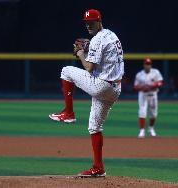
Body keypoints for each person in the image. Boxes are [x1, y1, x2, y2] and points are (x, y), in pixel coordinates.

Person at [49, 9, 124, 177]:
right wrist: (89, 47)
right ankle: (99, 168)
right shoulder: (111, 34)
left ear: (99, 21)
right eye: (86, 22)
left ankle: (68, 113)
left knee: (66, 71)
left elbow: (89, 67)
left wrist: (82, 53)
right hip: (115, 89)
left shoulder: (97, 39)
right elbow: (105, 55)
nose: (88, 25)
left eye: (92, 22)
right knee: (94, 127)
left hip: (102, 85)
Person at [134, 58, 163, 138]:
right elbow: (135, 86)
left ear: (151, 65)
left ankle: (151, 128)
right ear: (144, 65)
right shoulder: (139, 74)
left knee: (154, 114)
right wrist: (141, 88)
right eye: (146, 64)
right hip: (143, 95)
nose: (148, 66)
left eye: (149, 64)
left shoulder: (156, 72)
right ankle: (142, 131)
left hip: (153, 94)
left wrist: (154, 85)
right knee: (142, 111)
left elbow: (161, 82)